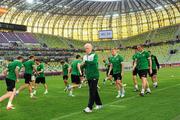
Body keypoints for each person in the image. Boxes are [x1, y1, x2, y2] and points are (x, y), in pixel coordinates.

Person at [83, 43, 102, 113]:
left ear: (91, 48)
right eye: (85, 48)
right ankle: (99, 104)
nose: (86, 49)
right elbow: (85, 66)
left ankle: (89, 107)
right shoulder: (84, 56)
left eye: (87, 48)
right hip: (89, 76)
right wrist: (80, 66)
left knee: (91, 91)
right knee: (94, 91)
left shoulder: (95, 55)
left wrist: (86, 62)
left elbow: (94, 62)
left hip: (94, 75)